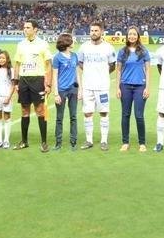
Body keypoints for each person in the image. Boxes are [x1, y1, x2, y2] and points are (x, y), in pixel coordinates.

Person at [13, 20, 52, 150]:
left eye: (28, 27)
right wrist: (16, 81)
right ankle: (24, 141)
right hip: (24, 80)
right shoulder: (20, 44)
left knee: (40, 110)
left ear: (35, 29)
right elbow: (17, 64)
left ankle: (44, 142)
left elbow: (48, 64)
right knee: (24, 110)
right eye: (24, 27)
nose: (25, 29)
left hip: (38, 79)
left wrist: (48, 84)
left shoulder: (43, 44)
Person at [77, 22, 116, 150]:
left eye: (96, 30)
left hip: (102, 86)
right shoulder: (84, 47)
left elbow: (112, 65)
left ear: (101, 32)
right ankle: (89, 140)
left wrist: (103, 73)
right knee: (87, 113)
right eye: (92, 30)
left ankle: (104, 141)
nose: (93, 33)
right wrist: (89, 72)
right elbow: (80, 63)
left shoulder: (108, 47)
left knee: (104, 112)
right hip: (87, 86)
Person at [116, 26, 151, 152]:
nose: (132, 36)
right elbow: (118, 70)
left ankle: (142, 143)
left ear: (138, 36)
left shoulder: (143, 51)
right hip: (125, 86)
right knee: (125, 114)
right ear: (127, 36)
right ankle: (125, 142)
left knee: (139, 115)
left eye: (134, 34)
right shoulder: (122, 51)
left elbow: (148, 70)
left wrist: (147, 87)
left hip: (140, 86)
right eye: (130, 34)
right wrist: (117, 88)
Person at [51, 33, 79, 151]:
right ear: (67, 42)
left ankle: (73, 142)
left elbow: (77, 73)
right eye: (72, 40)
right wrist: (56, 93)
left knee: (73, 116)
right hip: (61, 90)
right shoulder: (57, 57)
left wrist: (80, 89)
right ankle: (58, 143)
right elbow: (55, 76)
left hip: (73, 89)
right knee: (59, 118)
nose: (74, 41)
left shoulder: (74, 56)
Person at [0, 50, 15, 149]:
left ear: (7, 59)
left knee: (7, 117)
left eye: (3, 58)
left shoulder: (11, 70)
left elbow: (13, 85)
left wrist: (9, 97)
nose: (1, 60)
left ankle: (6, 140)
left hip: (6, 97)